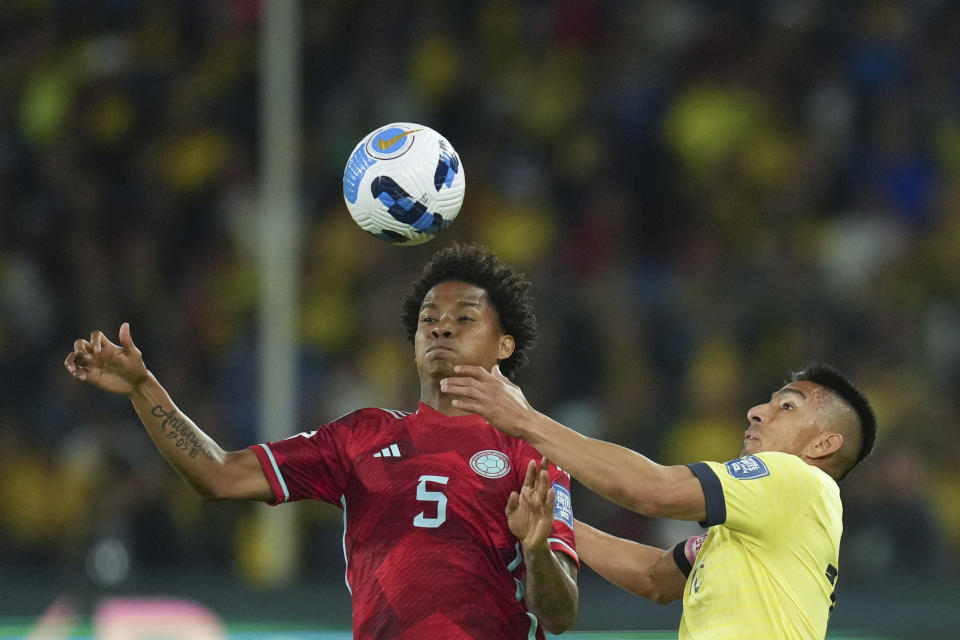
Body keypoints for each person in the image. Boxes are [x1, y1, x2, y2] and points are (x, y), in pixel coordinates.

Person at [64, 243, 579, 639]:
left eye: (464, 317)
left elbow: (559, 616)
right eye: (428, 320)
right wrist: (141, 386)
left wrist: (536, 549)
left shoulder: (532, 449)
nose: (441, 328)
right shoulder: (362, 437)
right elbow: (219, 475)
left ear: (504, 343)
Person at [440, 362, 877, 639]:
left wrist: (525, 420)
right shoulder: (763, 531)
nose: (757, 411)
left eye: (786, 408)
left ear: (824, 445)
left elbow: (652, 491)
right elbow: (654, 577)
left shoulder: (795, 478)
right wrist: (551, 514)